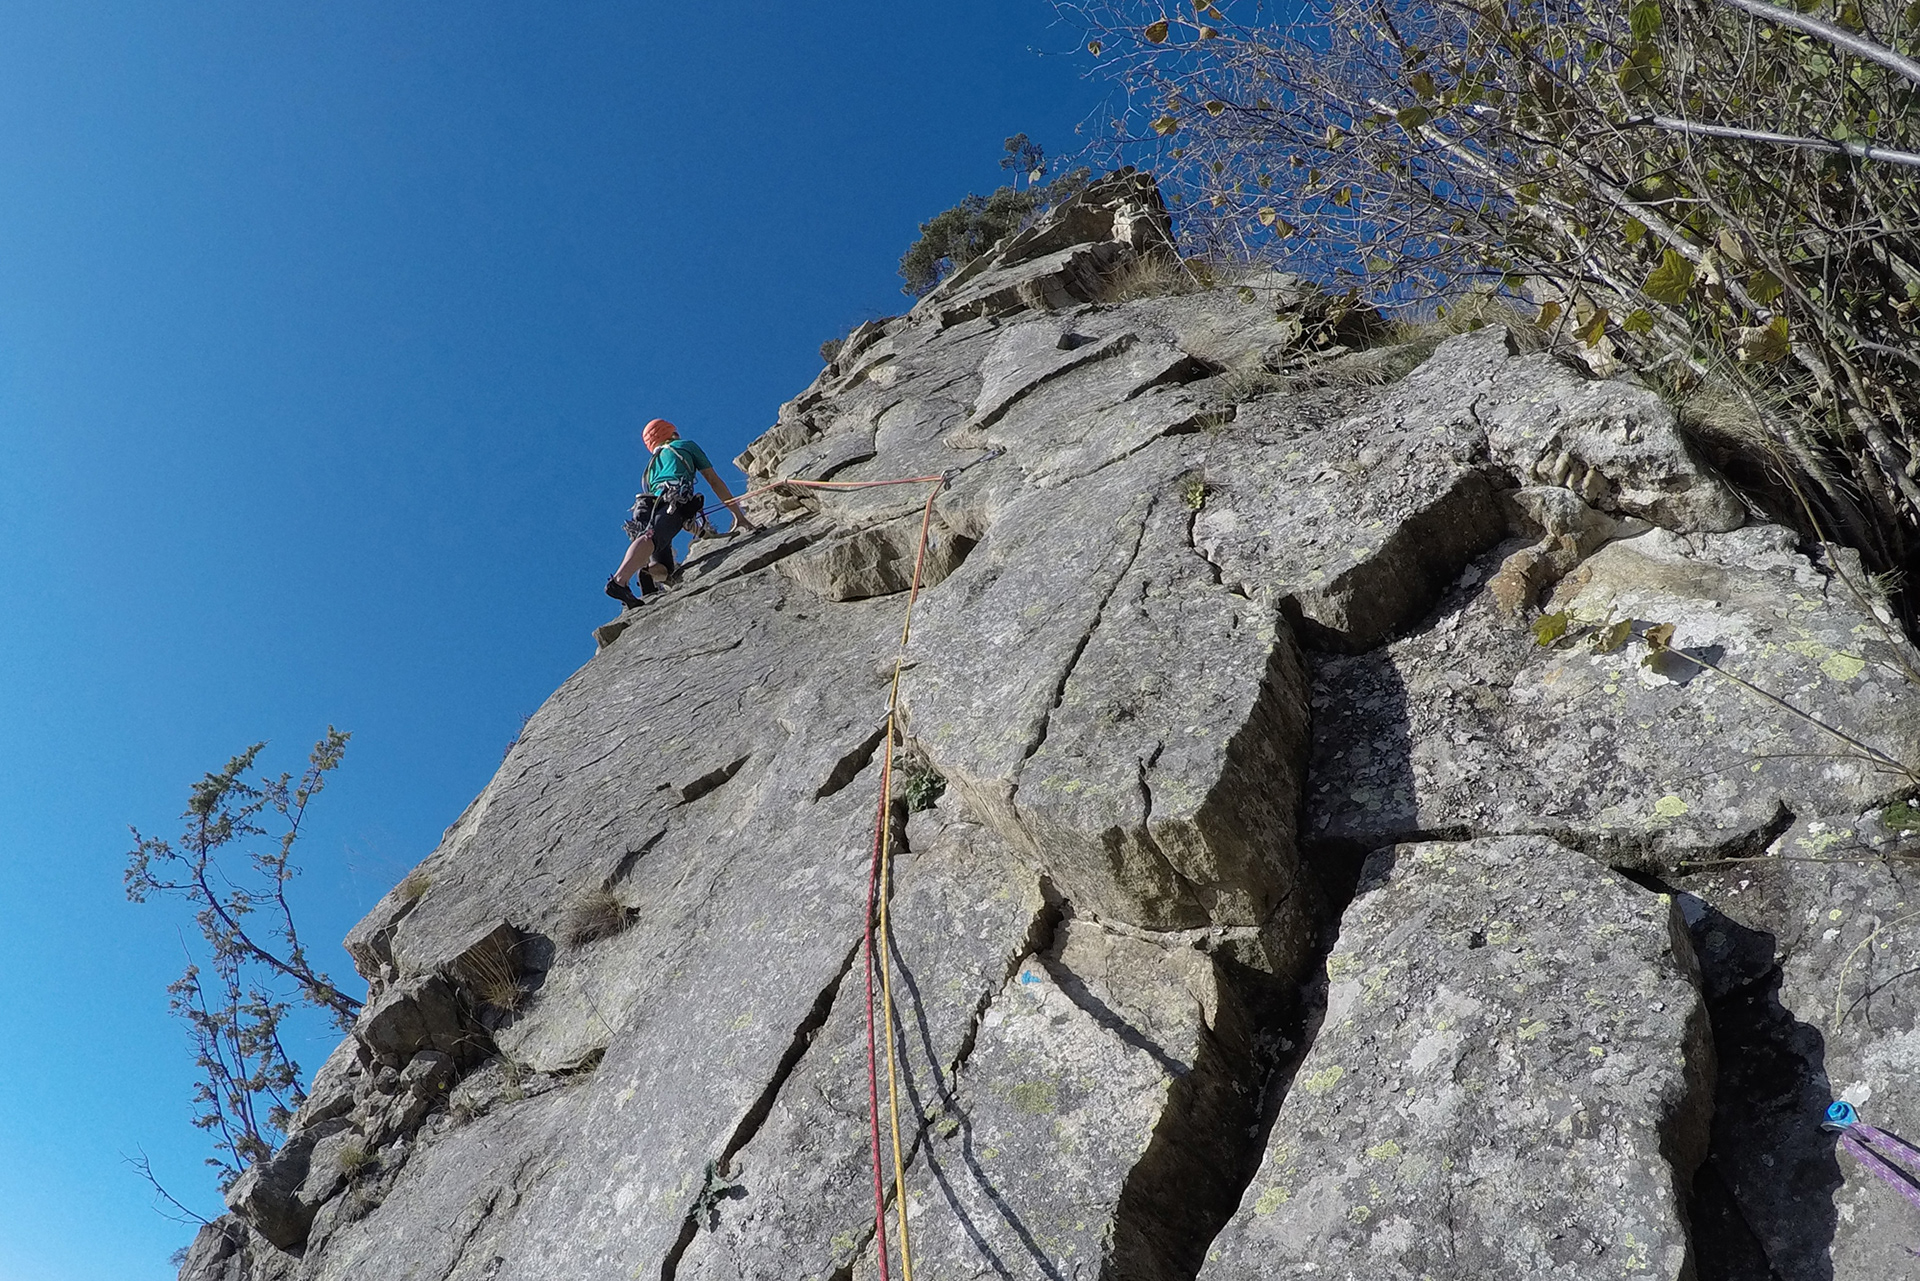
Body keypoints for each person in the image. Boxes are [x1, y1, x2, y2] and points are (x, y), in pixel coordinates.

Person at [605, 418, 757, 609]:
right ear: (672, 433)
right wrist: (738, 515)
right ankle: (619, 582)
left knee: (664, 568)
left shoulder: (653, 463)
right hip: (673, 500)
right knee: (652, 537)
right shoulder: (684, 445)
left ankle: (647, 573)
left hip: (647, 507)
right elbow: (713, 480)